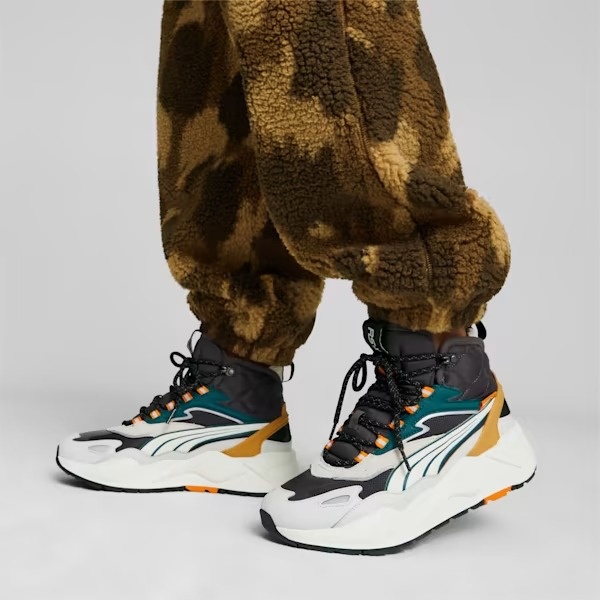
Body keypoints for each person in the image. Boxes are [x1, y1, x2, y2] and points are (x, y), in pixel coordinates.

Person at [57, 0, 536, 554]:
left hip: (441, 367)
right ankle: (236, 392)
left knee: (320, 31)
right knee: (214, 57)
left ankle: (445, 386)